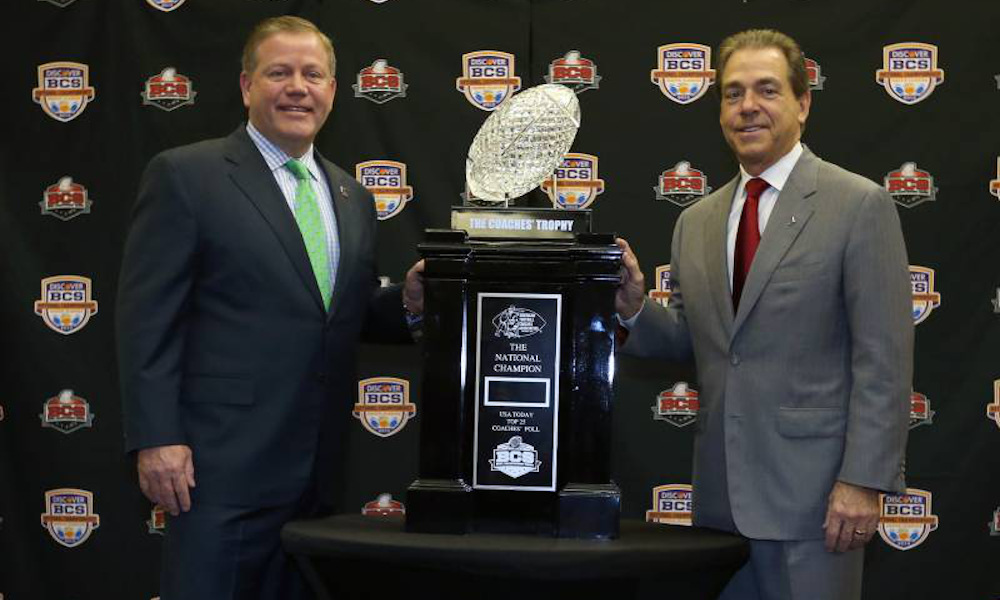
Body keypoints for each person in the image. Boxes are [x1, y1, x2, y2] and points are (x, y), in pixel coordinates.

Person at [117, 16, 424, 600]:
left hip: (316, 477)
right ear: (245, 86)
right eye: (278, 72)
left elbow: (340, 313)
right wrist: (156, 437)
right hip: (216, 473)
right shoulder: (187, 175)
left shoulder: (351, 196)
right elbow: (146, 319)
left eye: (313, 74)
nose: (297, 87)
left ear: (333, 91)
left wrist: (409, 303)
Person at [615, 29, 912, 600]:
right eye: (732, 93)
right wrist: (632, 308)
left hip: (818, 506)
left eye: (767, 90)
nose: (747, 106)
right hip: (720, 508)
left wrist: (864, 481)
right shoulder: (696, 221)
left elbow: (886, 360)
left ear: (803, 103)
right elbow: (698, 345)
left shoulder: (857, 205)